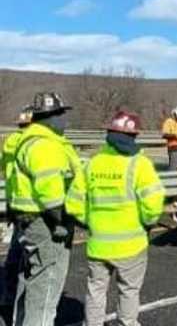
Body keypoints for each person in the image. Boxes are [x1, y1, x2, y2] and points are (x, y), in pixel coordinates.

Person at [66, 111, 164, 326]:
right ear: (134, 136)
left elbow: (73, 202)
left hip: (98, 244)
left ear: (109, 134)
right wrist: (147, 222)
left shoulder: (93, 164)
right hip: (132, 245)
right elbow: (154, 204)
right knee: (129, 290)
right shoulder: (140, 164)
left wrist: (89, 220)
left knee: (96, 290)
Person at [11, 92, 80, 326]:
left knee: (30, 278)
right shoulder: (45, 147)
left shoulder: (27, 140)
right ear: (50, 117)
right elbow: (51, 196)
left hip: (27, 218)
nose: (65, 120)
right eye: (62, 114)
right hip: (46, 223)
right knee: (46, 287)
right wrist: (63, 221)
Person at [0, 106, 32, 310]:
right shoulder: (32, 145)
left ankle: (7, 295)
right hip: (31, 207)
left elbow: (5, 169)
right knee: (31, 259)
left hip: (15, 203)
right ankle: (22, 304)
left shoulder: (9, 142)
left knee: (15, 252)